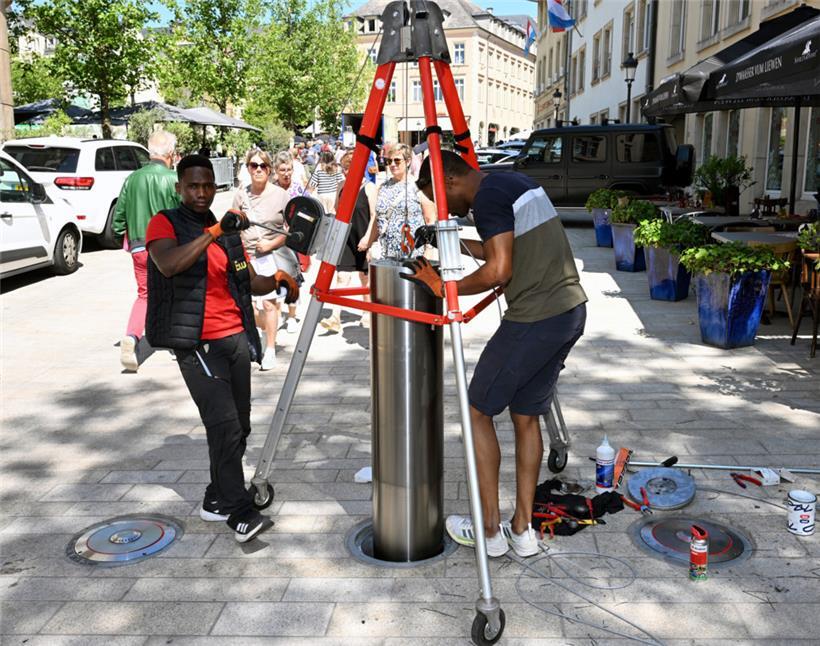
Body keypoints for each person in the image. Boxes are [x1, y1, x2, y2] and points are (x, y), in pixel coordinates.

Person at [405, 150, 587, 558]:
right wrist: (443, 239)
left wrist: (441, 287)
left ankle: (489, 532)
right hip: (569, 311)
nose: (444, 211)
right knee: (525, 417)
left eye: (440, 198)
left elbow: (499, 269)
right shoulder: (510, 182)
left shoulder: (486, 198)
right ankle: (522, 531)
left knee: (476, 413)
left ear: (451, 180)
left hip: (535, 319)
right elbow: (500, 248)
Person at [145, 154, 298, 543]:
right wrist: (214, 232)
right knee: (225, 424)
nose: (200, 192)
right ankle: (239, 512)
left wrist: (278, 276)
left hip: (234, 339)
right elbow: (169, 264)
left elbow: (246, 281)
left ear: (215, 187)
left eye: (207, 185)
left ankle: (216, 497)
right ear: (179, 187)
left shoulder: (227, 232)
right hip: (196, 343)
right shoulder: (166, 223)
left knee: (238, 426)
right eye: (193, 186)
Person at [112, 130, 180, 372]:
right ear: (171, 153)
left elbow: (118, 217)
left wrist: (122, 234)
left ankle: (132, 336)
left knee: (144, 294)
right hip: (167, 246)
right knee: (172, 291)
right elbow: (182, 213)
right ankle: (174, 341)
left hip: (139, 245)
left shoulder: (132, 179)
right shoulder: (173, 179)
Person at [233, 149, 298, 368]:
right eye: (254, 165)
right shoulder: (241, 195)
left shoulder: (280, 195)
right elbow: (232, 225)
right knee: (249, 308)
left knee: (269, 304)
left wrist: (271, 243)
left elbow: (292, 230)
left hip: (271, 256)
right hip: (247, 257)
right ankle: (264, 331)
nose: (258, 169)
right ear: (248, 168)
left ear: (269, 169)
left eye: (262, 166)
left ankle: (270, 348)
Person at [318, 150, 376, 333]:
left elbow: (375, 215)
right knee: (342, 275)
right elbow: (336, 208)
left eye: (349, 168)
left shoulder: (369, 187)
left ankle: (367, 312)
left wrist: (368, 238)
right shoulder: (341, 185)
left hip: (363, 233)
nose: (345, 172)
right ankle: (335, 316)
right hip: (345, 236)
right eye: (343, 168)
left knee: (365, 276)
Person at [358, 143, 435, 260]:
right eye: (389, 161)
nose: (392, 165)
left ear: (408, 161)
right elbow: (378, 218)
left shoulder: (420, 187)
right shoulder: (383, 187)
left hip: (413, 253)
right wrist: (369, 242)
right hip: (385, 253)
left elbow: (430, 220)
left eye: (397, 161)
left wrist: (429, 251)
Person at [308, 151, 345, 215]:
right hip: (333, 195)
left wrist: (309, 194)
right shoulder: (336, 168)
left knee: (323, 214)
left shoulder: (319, 168)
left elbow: (312, 184)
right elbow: (342, 181)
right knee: (332, 213)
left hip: (322, 195)